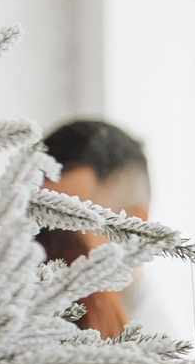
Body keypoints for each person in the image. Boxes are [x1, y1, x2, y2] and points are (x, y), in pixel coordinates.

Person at [37, 117, 150, 337]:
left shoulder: (154, 355)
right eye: (36, 220)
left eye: (69, 225)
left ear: (135, 225)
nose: (43, 245)